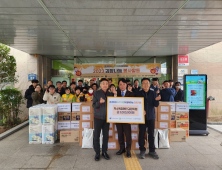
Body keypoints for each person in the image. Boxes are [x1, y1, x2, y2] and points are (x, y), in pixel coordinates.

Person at [135, 78, 161, 159]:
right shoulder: (138, 93)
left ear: (149, 84)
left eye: (147, 83)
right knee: (142, 134)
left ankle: (152, 151)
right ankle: (142, 150)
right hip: (141, 117)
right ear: (141, 84)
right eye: (144, 83)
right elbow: (135, 104)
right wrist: (140, 109)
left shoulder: (153, 93)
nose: (145, 85)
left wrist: (157, 100)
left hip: (151, 117)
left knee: (151, 134)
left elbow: (156, 105)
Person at [93, 78, 116, 161]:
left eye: (106, 83)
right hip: (98, 117)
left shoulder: (110, 94)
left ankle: (104, 152)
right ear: (100, 85)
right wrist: (99, 102)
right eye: (103, 83)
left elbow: (114, 106)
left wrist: (115, 95)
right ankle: (97, 153)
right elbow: (94, 105)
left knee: (105, 136)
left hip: (107, 118)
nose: (105, 85)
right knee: (97, 135)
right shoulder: (96, 93)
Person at [116, 79, 134, 158]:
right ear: (118, 85)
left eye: (123, 84)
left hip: (128, 118)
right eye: (120, 84)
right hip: (118, 117)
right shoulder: (116, 93)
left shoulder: (131, 93)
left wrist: (133, 118)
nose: (122, 86)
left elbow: (134, 107)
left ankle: (128, 150)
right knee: (120, 134)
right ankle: (122, 148)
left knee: (128, 134)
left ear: (126, 85)